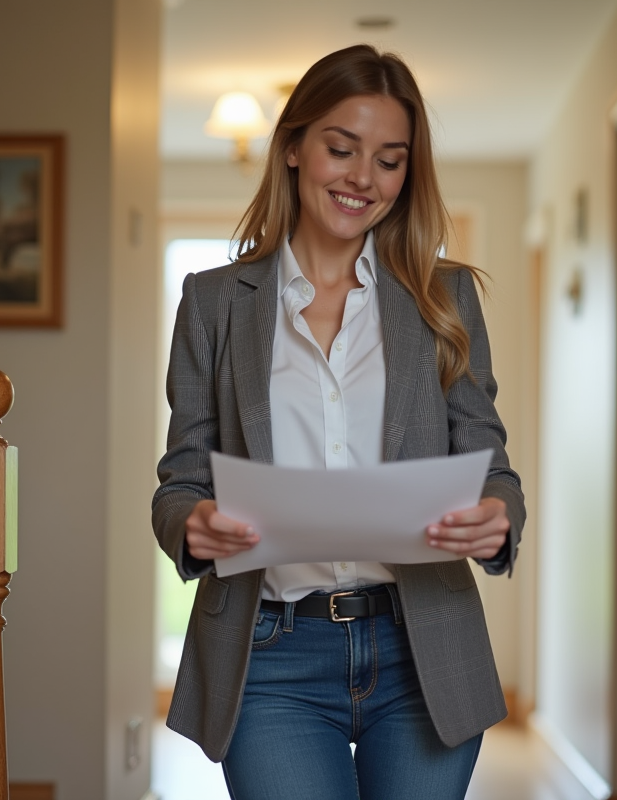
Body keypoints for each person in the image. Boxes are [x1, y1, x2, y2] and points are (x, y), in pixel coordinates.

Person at [152, 43, 526, 800]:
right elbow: (179, 480)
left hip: (423, 644)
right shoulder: (215, 303)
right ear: (293, 146)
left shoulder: (443, 299)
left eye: (389, 159)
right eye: (341, 148)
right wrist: (193, 523)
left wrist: (497, 517)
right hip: (270, 654)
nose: (363, 177)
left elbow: (491, 466)